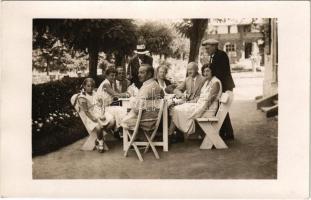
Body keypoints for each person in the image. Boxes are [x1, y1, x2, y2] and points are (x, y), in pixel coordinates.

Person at [169, 65, 222, 137]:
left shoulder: (215, 83)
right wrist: (191, 102)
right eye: (204, 71)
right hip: (200, 105)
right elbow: (201, 96)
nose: (205, 73)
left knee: (176, 109)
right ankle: (171, 134)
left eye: (208, 71)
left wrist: (201, 112)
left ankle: (170, 134)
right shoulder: (207, 81)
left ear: (212, 71)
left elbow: (210, 101)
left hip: (207, 109)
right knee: (176, 108)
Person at [202, 38, 235, 140]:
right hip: (222, 85)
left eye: (208, 48)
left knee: (222, 109)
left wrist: (212, 83)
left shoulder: (220, 55)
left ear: (214, 46)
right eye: (206, 48)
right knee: (222, 109)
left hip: (224, 86)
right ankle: (226, 132)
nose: (206, 50)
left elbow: (219, 73)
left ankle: (226, 133)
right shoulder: (214, 55)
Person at [121, 63, 164, 132]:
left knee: (122, 117)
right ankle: (139, 138)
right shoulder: (156, 85)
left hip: (144, 121)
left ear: (149, 74)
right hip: (152, 119)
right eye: (139, 72)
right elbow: (162, 95)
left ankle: (134, 139)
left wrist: (132, 99)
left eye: (142, 73)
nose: (139, 75)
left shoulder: (146, 88)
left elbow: (137, 109)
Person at [77, 78, 115, 153]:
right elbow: (86, 111)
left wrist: (102, 114)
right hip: (91, 115)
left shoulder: (95, 93)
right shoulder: (83, 97)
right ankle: (100, 142)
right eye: (88, 86)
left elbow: (101, 105)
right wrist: (93, 118)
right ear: (84, 86)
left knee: (112, 121)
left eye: (92, 86)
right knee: (98, 127)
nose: (90, 88)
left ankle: (98, 138)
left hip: (99, 112)